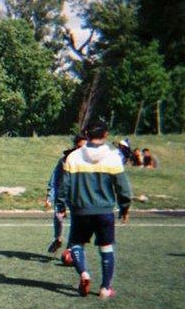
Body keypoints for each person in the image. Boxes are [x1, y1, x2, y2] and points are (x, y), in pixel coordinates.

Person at [56, 120, 133, 299]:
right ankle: (105, 288)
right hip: (105, 211)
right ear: (105, 135)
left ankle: (84, 273)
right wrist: (125, 207)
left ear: (86, 134)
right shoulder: (113, 157)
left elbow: (63, 186)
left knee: (76, 245)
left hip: (80, 211)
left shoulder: (73, 157)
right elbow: (123, 187)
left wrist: (61, 205)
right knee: (106, 248)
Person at [45, 134, 88, 254]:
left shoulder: (89, 162)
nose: (81, 150)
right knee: (58, 217)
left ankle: (70, 249)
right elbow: (55, 178)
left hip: (79, 196)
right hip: (63, 194)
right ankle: (58, 239)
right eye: (79, 146)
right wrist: (49, 196)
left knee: (76, 222)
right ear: (75, 146)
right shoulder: (65, 159)